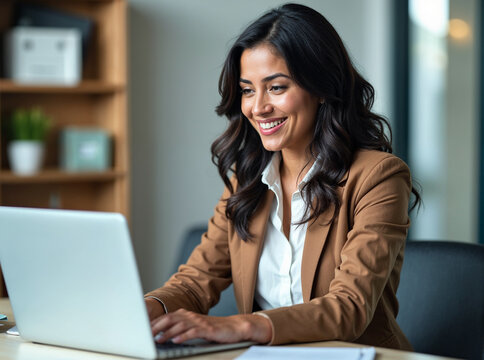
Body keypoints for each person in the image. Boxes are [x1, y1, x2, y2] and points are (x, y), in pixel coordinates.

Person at [144, 3, 421, 349]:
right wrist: (140, 310)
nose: (258, 107)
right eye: (247, 90)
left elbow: (350, 307)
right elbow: (194, 283)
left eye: (276, 87)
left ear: (321, 88)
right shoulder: (245, 182)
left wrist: (242, 327)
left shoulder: (378, 177)